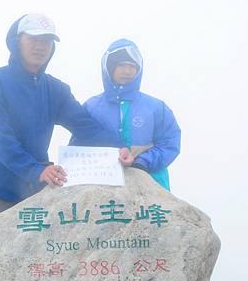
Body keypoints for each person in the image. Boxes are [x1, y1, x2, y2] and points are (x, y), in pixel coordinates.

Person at [0, 14, 132, 224]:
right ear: (16, 41)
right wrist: (35, 170)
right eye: (33, 39)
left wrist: (119, 147)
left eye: (46, 41)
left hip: (34, 192)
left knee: (33, 258)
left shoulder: (55, 89)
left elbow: (85, 126)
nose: (40, 46)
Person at [71, 38, 181, 190]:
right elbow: (77, 146)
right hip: (100, 187)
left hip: (151, 185)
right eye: (122, 65)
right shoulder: (92, 107)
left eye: (133, 66)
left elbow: (170, 143)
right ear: (109, 67)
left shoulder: (156, 107)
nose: (128, 71)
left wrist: (142, 162)